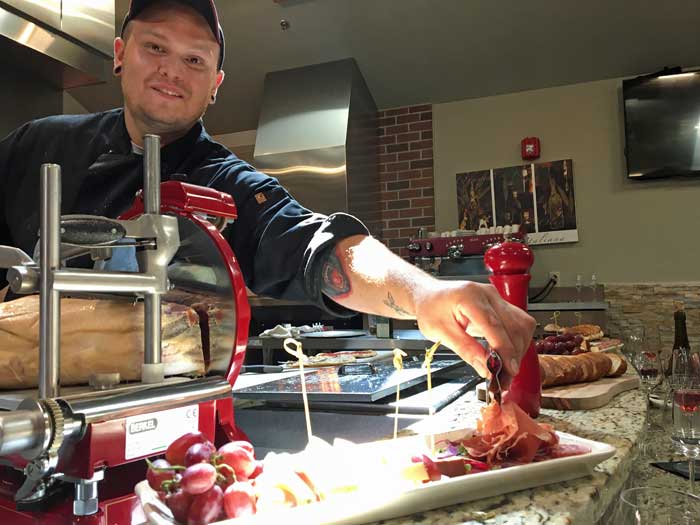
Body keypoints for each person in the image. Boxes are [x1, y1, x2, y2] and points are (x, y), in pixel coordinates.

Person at [0, 0, 535, 388]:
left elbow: (316, 246)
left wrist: (423, 295)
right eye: (155, 47)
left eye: (195, 59)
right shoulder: (38, 145)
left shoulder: (229, 185)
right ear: (119, 53)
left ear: (216, 82)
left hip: (157, 440)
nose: (171, 69)